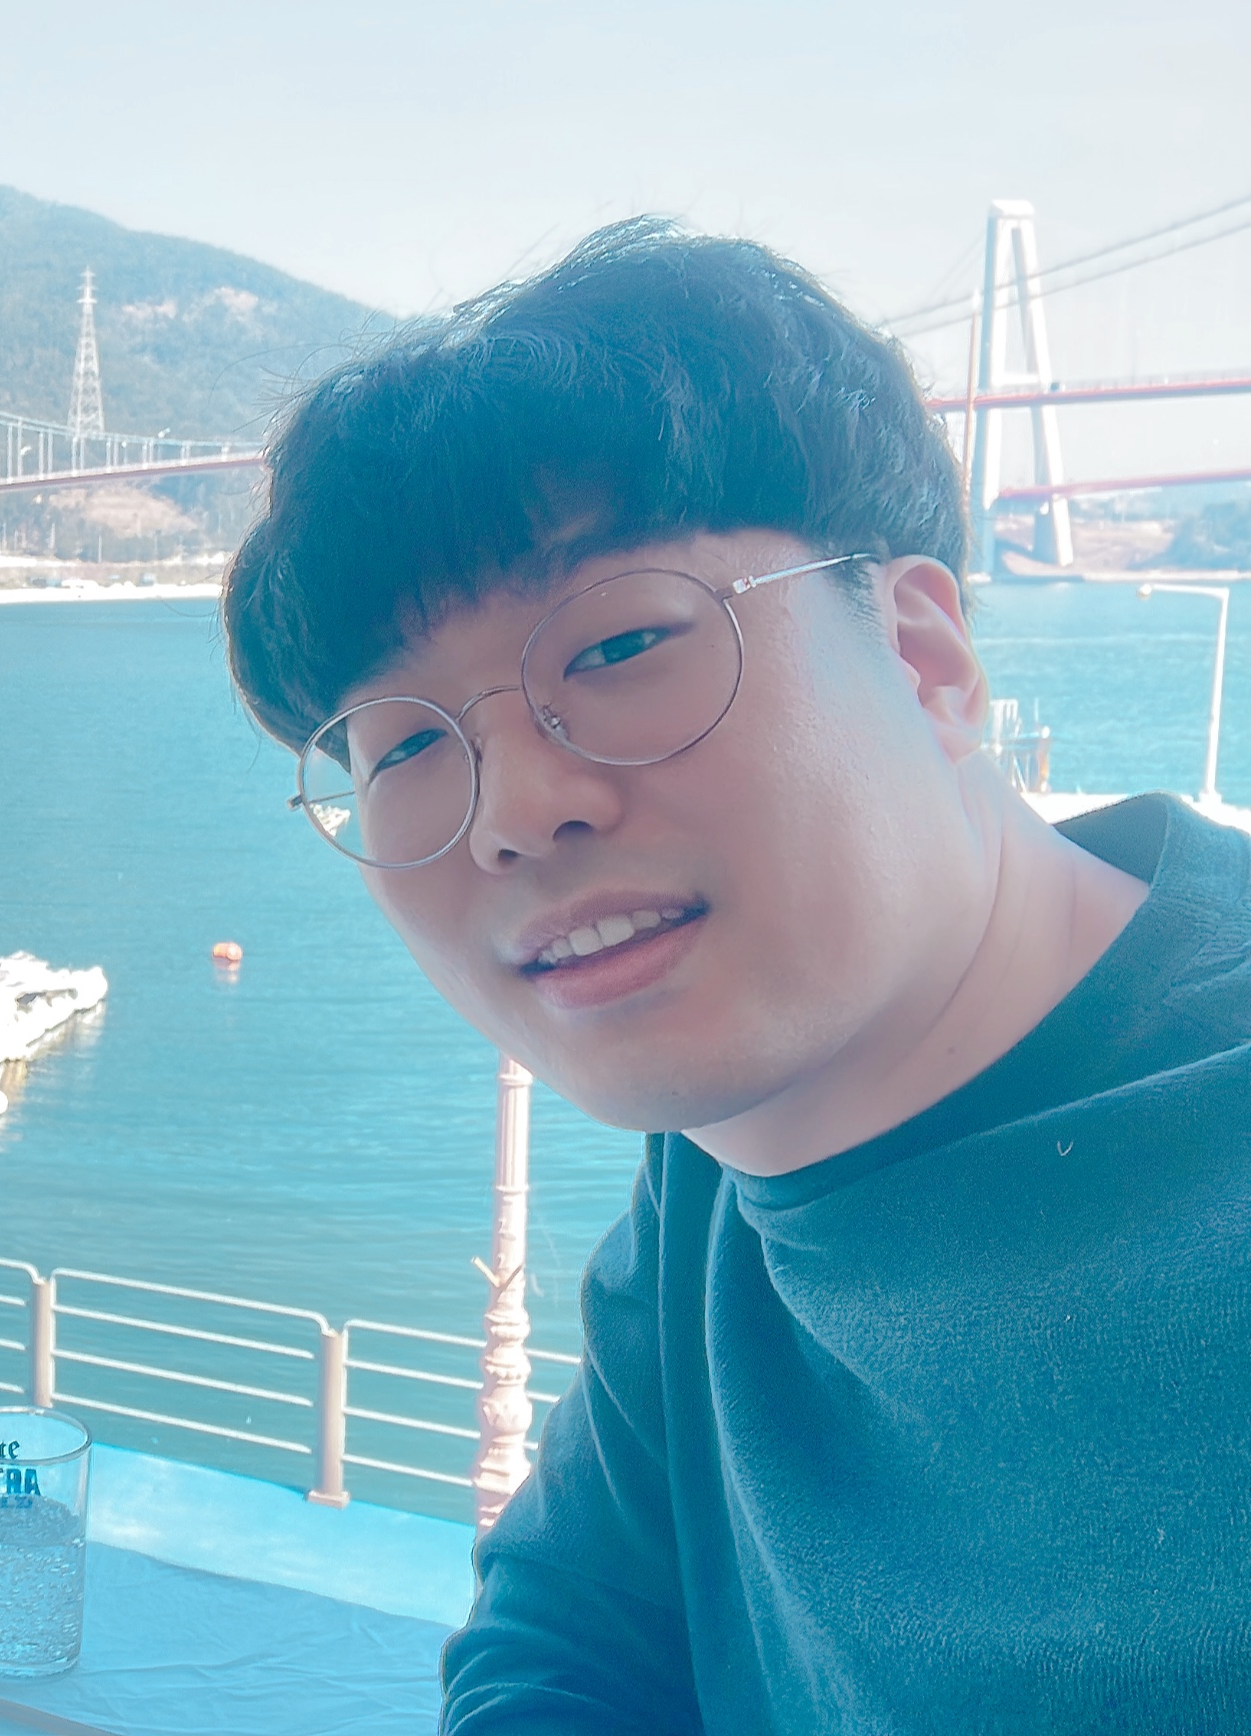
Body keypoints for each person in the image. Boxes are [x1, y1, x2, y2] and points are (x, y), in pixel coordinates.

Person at [222, 218, 1251, 1730]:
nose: (514, 810)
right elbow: (565, 1630)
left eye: (620, 645)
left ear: (920, 656)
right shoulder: (723, 1157)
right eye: (405, 745)